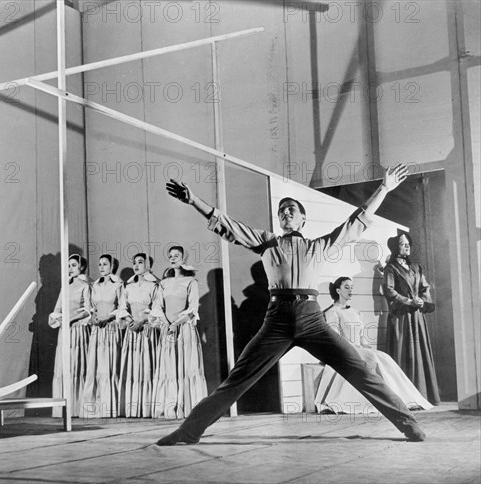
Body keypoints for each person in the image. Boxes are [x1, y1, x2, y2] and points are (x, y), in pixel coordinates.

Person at [157, 164, 427, 445]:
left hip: (312, 320)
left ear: (302, 219)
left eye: (291, 210)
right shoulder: (266, 242)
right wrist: (193, 201)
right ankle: (188, 431)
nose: (285, 212)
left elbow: (355, 222)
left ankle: (409, 425)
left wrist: (383, 188)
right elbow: (228, 225)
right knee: (237, 380)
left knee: (360, 370)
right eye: (282, 210)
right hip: (277, 321)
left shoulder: (319, 245)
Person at [314, 277, 433, 414]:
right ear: (338, 290)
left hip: (359, 349)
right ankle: (375, 402)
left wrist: (365, 345)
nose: (350, 290)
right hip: (343, 351)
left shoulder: (356, 312)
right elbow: (335, 339)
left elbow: (362, 337)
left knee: (384, 357)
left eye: (352, 287)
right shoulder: (332, 312)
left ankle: (403, 400)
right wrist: (355, 348)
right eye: (347, 287)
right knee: (374, 359)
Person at [150, 246, 208, 419]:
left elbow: (192, 308)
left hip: (184, 329)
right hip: (167, 330)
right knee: (169, 368)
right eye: (171, 256)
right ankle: (169, 407)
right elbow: (157, 306)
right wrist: (167, 324)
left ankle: (189, 407)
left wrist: (176, 323)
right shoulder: (164, 283)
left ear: (184, 259)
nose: (173, 258)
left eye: (177, 256)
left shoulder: (191, 281)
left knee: (185, 365)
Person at [383, 233, 440, 404]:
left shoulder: (416, 268)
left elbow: (425, 287)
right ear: (395, 247)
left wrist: (422, 300)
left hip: (416, 317)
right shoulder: (390, 269)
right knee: (404, 351)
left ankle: (423, 395)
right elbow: (389, 290)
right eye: (402, 243)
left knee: (419, 351)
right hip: (401, 317)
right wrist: (408, 301)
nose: (407, 246)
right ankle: (405, 398)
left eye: (408, 243)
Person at [79, 254, 123, 418]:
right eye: (99, 264)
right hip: (97, 330)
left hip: (111, 328)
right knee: (96, 366)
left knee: (110, 366)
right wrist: (93, 317)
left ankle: (111, 406)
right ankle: (95, 408)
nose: (101, 267)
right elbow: (89, 307)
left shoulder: (119, 285)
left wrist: (108, 317)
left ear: (112, 266)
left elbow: (122, 307)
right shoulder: (94, 286)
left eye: (105, 264)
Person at [48, 254, 92, 417]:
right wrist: (59, 319)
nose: (70, 269)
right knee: (63, 367)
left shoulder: (85, 286)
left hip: (78, 331)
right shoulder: (64, 286)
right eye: (68, 266)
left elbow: (88, 309)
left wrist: (70, 319)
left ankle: (78, 408)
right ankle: (62, 409)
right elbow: (57, 309)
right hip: (64, 331)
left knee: (77, 365)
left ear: (81, 267)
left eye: (73, 265)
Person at [117, 253, 160, 417]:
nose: (136, 265)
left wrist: (141, 322)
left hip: (146, 330)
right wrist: (129, 320)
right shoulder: (128, 287)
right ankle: (133, 408)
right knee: (133, 367)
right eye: (134, 263)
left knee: (147, 366)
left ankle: (148, 407)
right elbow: (122, 307)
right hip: (131, 331)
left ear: (148, 265)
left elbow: (157, 308)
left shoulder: (154, 286)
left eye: (140, 262)